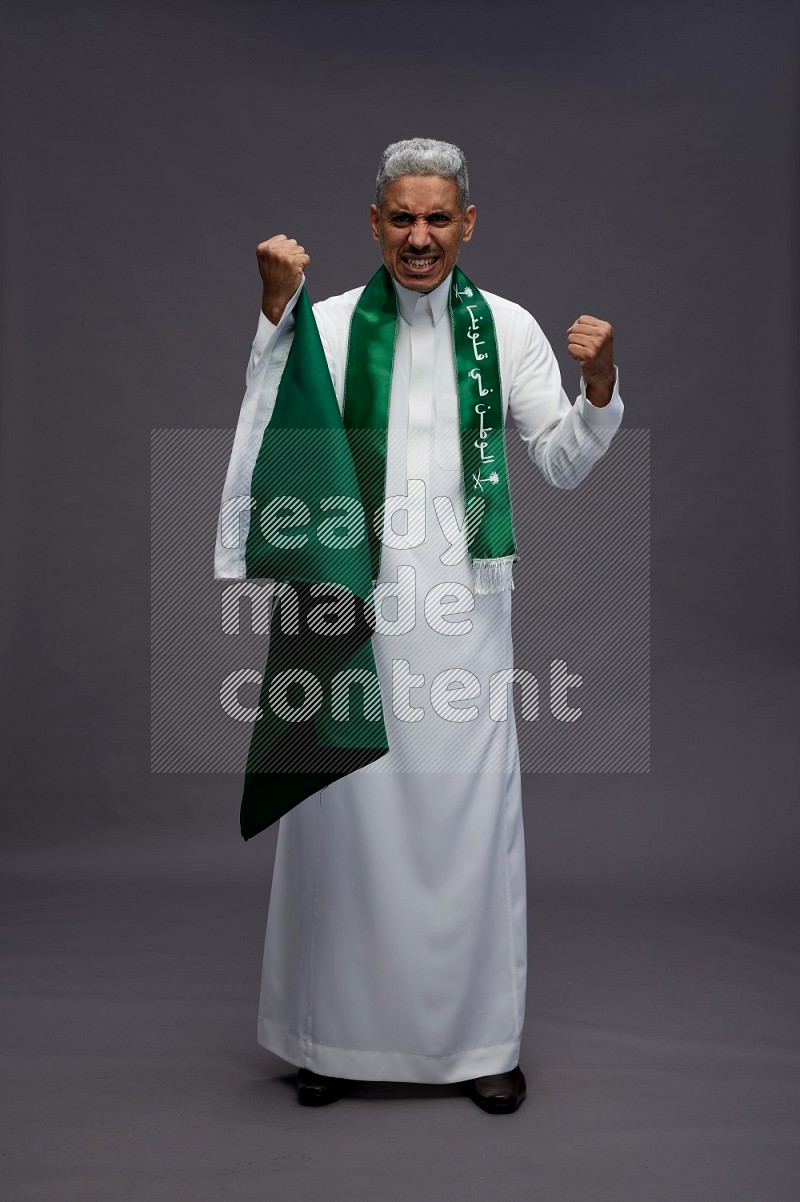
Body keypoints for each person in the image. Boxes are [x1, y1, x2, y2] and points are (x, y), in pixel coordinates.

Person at [215, 138, 623, 1114]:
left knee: (464, 827)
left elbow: (560, 458)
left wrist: (599, 386)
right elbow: (271, 425)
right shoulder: (325, 320)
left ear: (466, 223)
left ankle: (478, 1041)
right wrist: (273, 313)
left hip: (464, 621)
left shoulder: (506, 330)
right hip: (346, 613)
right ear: (374, 223)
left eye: (437, 217)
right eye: (401, 217)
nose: (419, 236)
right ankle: (333, 1038)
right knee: (340, 822)